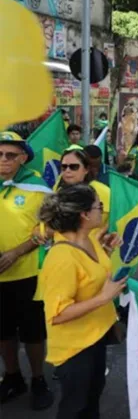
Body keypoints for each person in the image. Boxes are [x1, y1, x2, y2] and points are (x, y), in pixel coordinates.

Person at [38, 184, 126, 418]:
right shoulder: (62, 257)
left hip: (95, 336)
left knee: (92, 397)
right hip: (75, 348)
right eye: (99, 206)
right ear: (85, 215)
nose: (102, 211)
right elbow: (57, 314)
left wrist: (106, 250)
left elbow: (91, 274)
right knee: (75, 407)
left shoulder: (90, 239)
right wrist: (104, 298)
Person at [0, 132, 54, 410]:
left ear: (23, 158)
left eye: (10, 155)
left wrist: (17, 252)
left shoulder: (37, 187)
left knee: (32, 332)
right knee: (3, 331)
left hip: (28, 274)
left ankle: (38, 378)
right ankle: (12, 376)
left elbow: (49, 226)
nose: (3, 160)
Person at [56, 148, 111, 230]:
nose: (67, 170)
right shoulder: (59, 190)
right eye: (64, 167)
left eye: (74, 167)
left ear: (86, 169)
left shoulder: (103, 192)